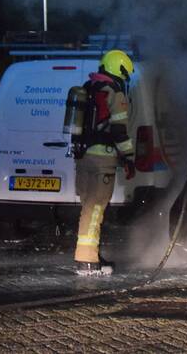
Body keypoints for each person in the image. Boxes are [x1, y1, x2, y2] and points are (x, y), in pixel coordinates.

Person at [73, 49, 135, 276]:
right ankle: (87, 261)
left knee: (88, 207)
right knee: (96, 209)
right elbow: (119, 131)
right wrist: (129, 157)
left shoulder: (87, 89)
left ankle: (89, 254)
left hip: (83, 157)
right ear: (119, 69)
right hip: (102, 160)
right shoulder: (115, 93)